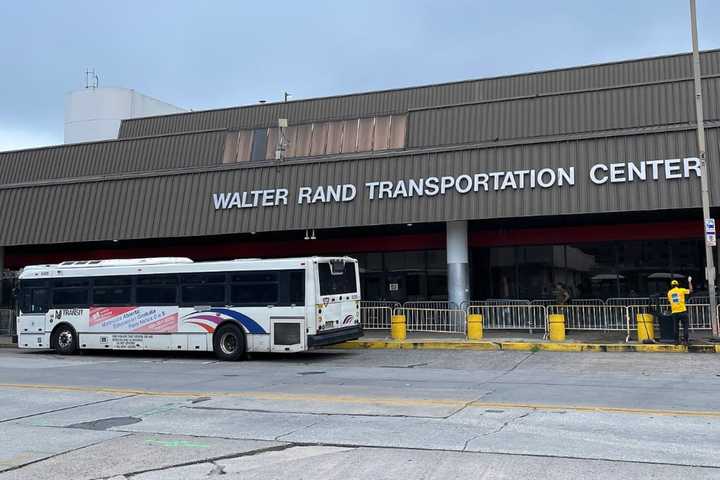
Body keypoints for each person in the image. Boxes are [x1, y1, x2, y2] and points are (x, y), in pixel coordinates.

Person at [667, 276, 692, 345]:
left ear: (671, 285)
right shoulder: (681, 290)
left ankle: (676, 341)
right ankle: (685, 341)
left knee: (676, 327)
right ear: (677, 285)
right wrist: (689, 281)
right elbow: (691, 290)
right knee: (685, 326)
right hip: (683, 311)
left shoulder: (669, 293)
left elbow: (670, 300)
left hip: (674, 312)